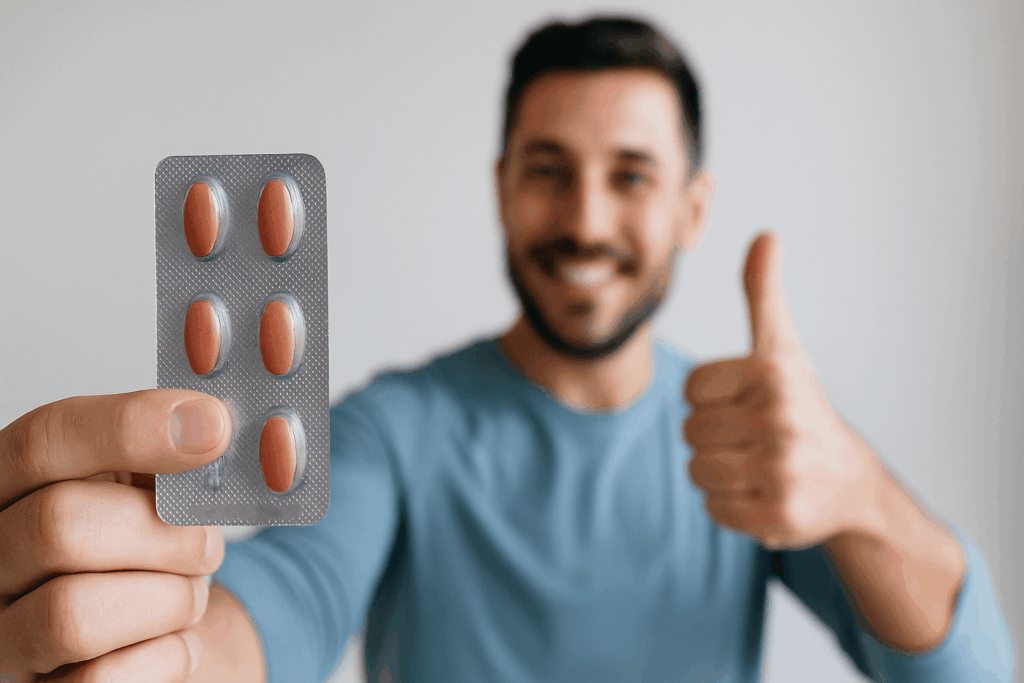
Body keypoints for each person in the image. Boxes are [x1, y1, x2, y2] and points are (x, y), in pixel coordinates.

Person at [0, 15, 1014, 683]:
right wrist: (161, 648)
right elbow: (279, 611)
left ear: (691, 208)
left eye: (629, 175)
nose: (584, 218)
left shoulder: (756, 446)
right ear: (499, 187)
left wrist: (861, 492)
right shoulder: (394, 429)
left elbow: (968, 671)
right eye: (547, 169)